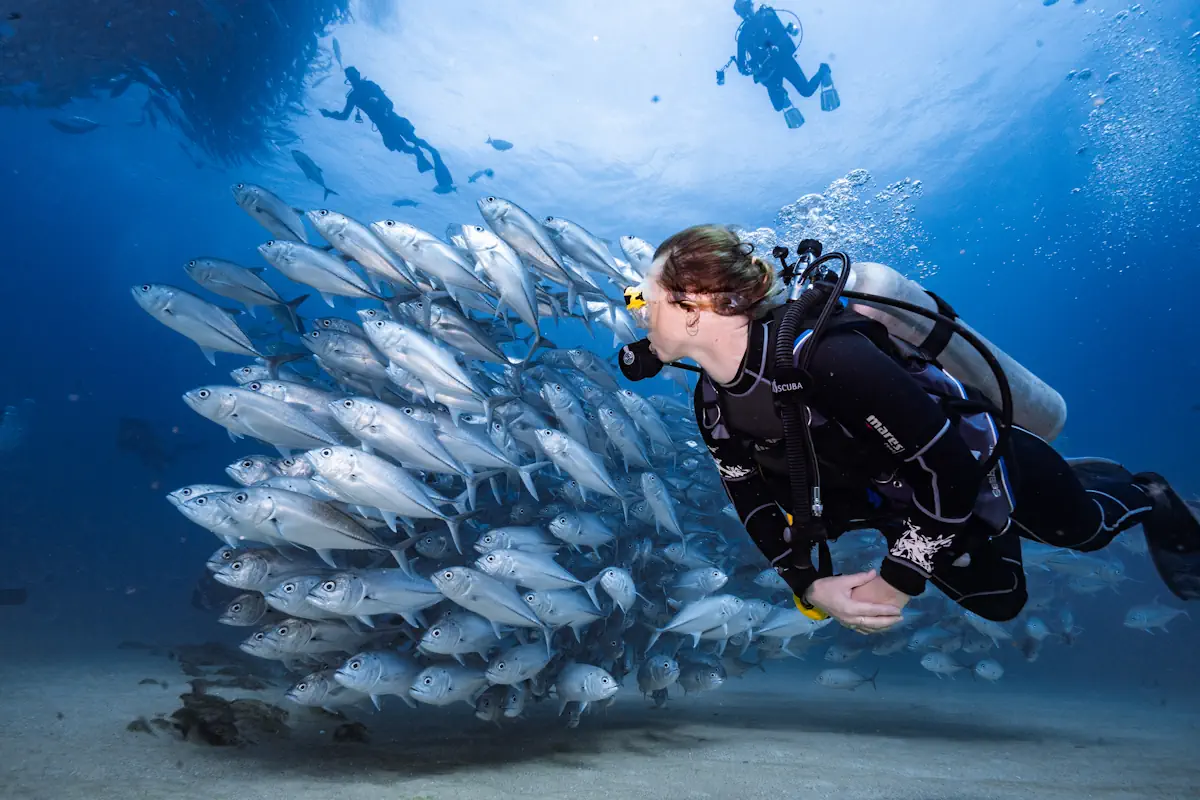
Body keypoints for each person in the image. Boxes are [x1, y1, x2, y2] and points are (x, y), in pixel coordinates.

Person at [617, 225, 1199, 633]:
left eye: (648, 298)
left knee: (1083, 531)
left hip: (985, 466)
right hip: (916, 506)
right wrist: (809, 586)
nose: (640, 312)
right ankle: (1043, 498)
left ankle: (1141, 490)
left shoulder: (825, 358)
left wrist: (899, 579)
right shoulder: (712, 402)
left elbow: (950, 468)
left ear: (693, 306)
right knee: (999, 604)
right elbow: (749, 500)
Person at [320, 66, 454, 192]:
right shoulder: (352, 97)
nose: (353, 78)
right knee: (401, 146)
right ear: (348, 80)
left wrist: (381, 106)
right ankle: (417, 153)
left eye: (354, 74)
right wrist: (329, 114)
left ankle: (432, 152)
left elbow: (389, 103)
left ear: (358, 74)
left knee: (412, 139)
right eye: (350, 76)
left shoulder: (370, 85)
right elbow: (344, 116)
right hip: (383, 126)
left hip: (391, 119)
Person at [726, 0, 838, 129]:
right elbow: (742, 66)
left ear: (751, 6)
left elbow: (784, 34)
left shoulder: (767, 16)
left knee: (806, 91)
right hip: (768, 72)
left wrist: (776, 48)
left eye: (746, 7)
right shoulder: (744, 35)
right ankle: (783, 95)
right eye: (742, 10)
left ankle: (823, 71)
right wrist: (752, 68)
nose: (746, 12)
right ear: (739, 13)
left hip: (784, 61)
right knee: (779, 106)